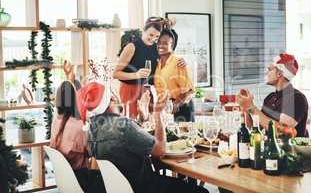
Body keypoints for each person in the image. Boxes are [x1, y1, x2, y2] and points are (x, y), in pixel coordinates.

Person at [76, 81, 209, 193]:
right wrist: (157, 114)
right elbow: (160, 150)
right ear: (110, 100)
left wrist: (141, 118)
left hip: (119, 187)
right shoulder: (123, 126)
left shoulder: (92, 128)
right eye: (113, 93)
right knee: (201, 191)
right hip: (143, 187)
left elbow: (123, 141)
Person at [113, 17, 186, 119]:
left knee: (150, 125)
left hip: (148, 91)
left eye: (156, 37)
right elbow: (116, 73)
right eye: (151, 35)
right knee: (133, 124)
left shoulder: (157, 48)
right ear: (144, 30)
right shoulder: (131, 47)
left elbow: (171, 51)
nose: (153, 39)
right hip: (130, 91)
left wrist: (182, 61)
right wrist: (136, 74)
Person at [50, 64, 105, 192]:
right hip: (80, 179)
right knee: (109, 180)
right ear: (76, 99)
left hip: (65, 179)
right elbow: (93, 152)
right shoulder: (79, 126)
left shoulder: (56, 121)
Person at [237, 53, 309, 137]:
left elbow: (282, 132)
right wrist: (246, 108)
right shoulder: (269, 98)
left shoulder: (297, 98)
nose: (266, 72)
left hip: (291, 150)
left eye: (270, 69)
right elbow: (256, 128)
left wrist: (252, 107)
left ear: (279, 73)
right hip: (270, 149)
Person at [155, 28, 194, 122]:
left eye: (165, 43)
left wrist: (176, 104)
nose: (160, 45)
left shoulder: (178, 62)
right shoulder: (158, 64)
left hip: (182, 108)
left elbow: (189, 90)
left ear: (172, 45)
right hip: (165, 109)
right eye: (159, 42)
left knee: (184, 136)